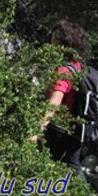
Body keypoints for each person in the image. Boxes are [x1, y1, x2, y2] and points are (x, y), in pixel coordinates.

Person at [32, 18, 88, 171]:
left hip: (59, 130)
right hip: (76, 128)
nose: (51, 42)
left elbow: (53, 104)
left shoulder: (63, 72)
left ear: (64, 43)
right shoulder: (78, 66)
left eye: (55, 39)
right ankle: (81, 194)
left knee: (52, 167)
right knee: (72, 167)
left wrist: (36, 132)